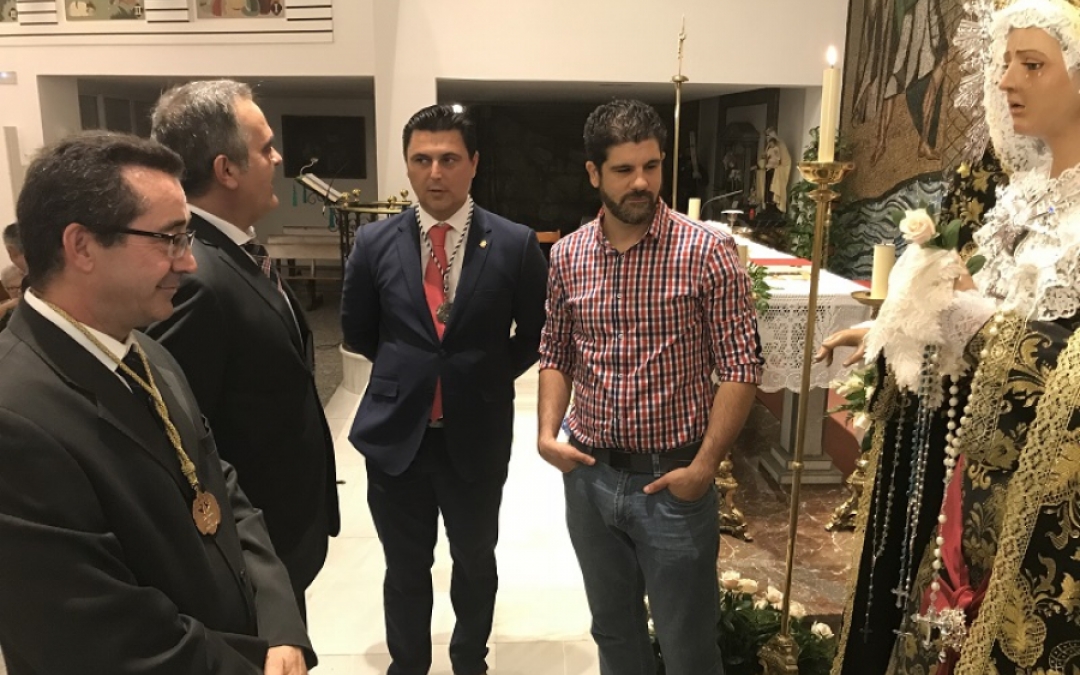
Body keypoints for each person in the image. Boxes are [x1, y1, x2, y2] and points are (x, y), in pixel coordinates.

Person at [825, 2, 1080, 672]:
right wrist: (899, 328)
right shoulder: (1017, 197)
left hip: (1037, 508)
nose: (1006, 79)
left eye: (1032, 64)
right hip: (965, 476)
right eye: (1006, 63)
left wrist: (985, 329)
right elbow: (968, 312)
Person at [0, 131, 312, 674]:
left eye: (185, 238)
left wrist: (280, 623)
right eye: (168, 239)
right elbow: (95, 636)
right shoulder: (15, 415)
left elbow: (219, 488)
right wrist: (251, 666)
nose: (188, 262)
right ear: (81, 246)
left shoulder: (146, 350)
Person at [537, 99, 763, 675]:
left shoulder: (706, 251)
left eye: (652, 166)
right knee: (614, 634)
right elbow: (556, 352)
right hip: (590, 477)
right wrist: (546, 434)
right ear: (594, 172)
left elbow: (741, 365)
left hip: (672, 481)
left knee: (689, 648)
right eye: (623, 169)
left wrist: (704, 467)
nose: (641, 182)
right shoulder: (567, 256)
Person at [341, 104, 547, 675]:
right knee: (405, 566)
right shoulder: (374, 243)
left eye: (449, 159)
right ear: (408, 165)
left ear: (474, 163)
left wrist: (479, 377)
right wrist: (411, 374)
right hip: (397, 437)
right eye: (422, 159)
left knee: (475, 560)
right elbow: (358, 330)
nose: (435, 172)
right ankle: (408, 665)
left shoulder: (514, 243)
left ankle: (469, 661)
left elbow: (535, 333)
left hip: (476, 434)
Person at [145, 79, 339, 617]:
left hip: (280, 532)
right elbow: (181, 439)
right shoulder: (195, 275)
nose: (278, 158)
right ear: (226, 169)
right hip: (248, 549)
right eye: (266, 147)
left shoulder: (231, 252)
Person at [0, 264, 24, 331]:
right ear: (6, 289)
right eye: (13, 288)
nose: (19, 291)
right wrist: (6, 307)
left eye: (21, 286)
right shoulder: (5, 309)